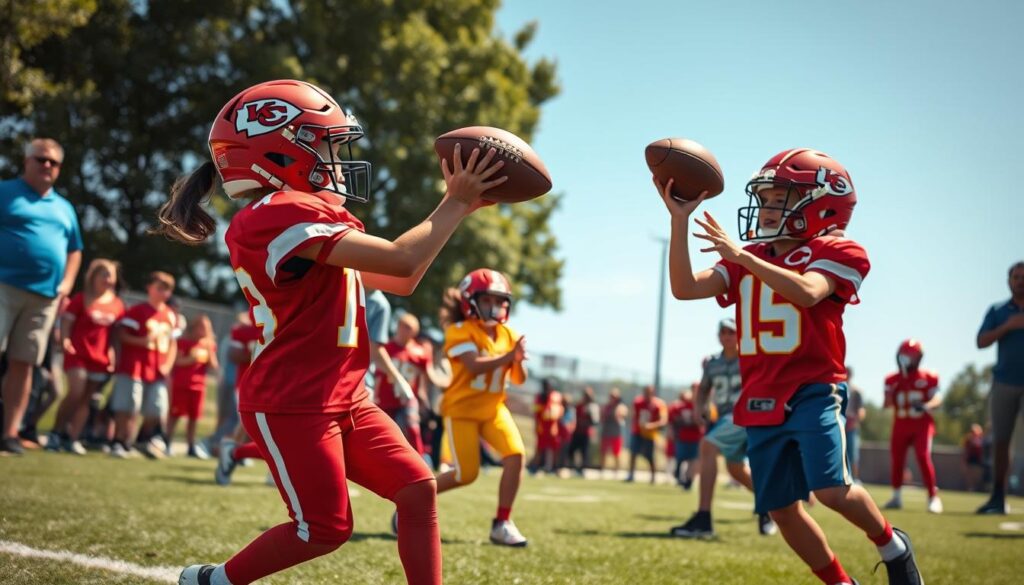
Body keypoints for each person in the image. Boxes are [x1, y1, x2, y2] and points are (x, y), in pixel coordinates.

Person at [158, 79, 506, 585]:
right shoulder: (273, 215)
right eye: (323, 144)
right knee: (323, 529)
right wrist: (453, 202)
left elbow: (401, 279)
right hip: (293, 401)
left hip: (345, 394)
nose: (335, 160)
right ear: (276, 153)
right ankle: (214, 581)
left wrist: (459, 208)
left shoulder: (305, 213)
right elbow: (403, 258)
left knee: (417, 488)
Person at [657, 148, 922, 584]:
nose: (765, 208)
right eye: (765, 198)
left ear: (820, 205)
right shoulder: (750, 255)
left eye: (779, 198)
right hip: (760, 394)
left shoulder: (837, 249)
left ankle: (892, 544)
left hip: (813, 389)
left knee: (831, 490)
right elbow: (684, 288)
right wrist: (680, 220)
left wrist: (743, 259)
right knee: (779, 507)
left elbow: (807, 292)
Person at [431, 270, 530, 547]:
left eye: (499, 301)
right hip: (462, 409)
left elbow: (519, 378)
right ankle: (413, 498)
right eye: (487, 300)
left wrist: (518, 360)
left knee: (516, 455)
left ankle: (502, 522)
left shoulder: (508, 334)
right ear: (469, 302)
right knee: (466, 474)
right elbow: (473, 365)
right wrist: (510, 356)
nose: (495, 307)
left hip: (493, 408)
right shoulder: (459, 330)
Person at [0, 138, 82, 454]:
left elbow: (75, 249)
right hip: (4, 287)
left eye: (53, 162)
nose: (47, 165)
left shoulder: (64, 208)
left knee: (24, 364)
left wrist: (67, 284)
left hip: (44, 298)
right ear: (26, 162)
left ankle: (9, 433)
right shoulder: (5, 192)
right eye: (40, 159)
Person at [670, 319, 773, 538]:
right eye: (723, 332)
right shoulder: (712, 363)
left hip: (748, 415)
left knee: (707, 446)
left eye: (732, 332)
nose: (727, 336)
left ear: (740, 335)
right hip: (728, 418)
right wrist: (699, 408)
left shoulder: (751, 357)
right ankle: (770, 506)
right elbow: (703, 389)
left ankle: (703, 518)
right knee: (735, 468)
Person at [45, 259, 124, 454]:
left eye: (110, 275)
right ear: (93, 276)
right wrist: (65, 340)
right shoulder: (81, 298)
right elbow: (66, 323)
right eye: (103, 274)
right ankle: (56, 432)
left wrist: (114, 354)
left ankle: (71, 438)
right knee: (75, 391)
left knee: (87, 399)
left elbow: (115, 335)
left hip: (100, 358)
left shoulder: (117, 304)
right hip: (78, 353)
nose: (107, 279)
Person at [110, 271, 178, 459]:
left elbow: (173, 343)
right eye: (160, 288)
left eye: (167, 290)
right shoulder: (137, 311)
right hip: (135, 366)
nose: (163, 293)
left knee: (157, 408)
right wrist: (142, 341)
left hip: (158, 369)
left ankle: (142, 439)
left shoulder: (170, 315)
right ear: (149, 288)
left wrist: (168, 364)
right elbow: (121, 335)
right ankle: (119, 441)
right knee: (128, 406)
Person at [975, 260, 1024, 515]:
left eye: (1023, 277)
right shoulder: (998, 310)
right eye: (1016, 277)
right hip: (1004, 382)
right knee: (1001, 443)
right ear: (1009, 281)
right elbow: (981, 341)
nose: (1020, 281)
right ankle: (997, 497)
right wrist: (1008, 326)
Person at [883, 339, 943, 514]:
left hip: (921, 425)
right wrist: (891, 391)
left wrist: (927, 406)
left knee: (923, 456)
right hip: (901, 423)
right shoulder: (892, 379)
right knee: (897, 460)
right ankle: (896, 496)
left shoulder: (928, 377)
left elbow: (938, 398)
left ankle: (933, 497)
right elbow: (886, 404)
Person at [375, 312, 430, 454]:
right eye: (405, 326)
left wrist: (422, 396)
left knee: (412, 427)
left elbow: (422, 376)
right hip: (386, 397)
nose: (407, 331)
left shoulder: (420, 351)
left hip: (407, 398)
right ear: (398, 326)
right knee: (385, 433)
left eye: (411, 328)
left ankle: (420, 460)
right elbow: (378, 375)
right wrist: (374, 395)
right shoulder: (385, 348)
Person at [168, 314, 219, 458]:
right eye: (200, 327)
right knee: (175, 415)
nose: (203, 331)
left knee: (194, 417)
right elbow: (177, 362)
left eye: (206, 328)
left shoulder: (208, 345)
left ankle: (190, 446)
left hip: (199, 385)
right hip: (182, 383)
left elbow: (213, 365)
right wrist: (191, 359)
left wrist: (209, 352)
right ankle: (167, 441)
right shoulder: (183, 342)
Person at [626, 385, 667, 484]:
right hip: (637, 431)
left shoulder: (659, 404)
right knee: (633, 452)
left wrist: (651, 426)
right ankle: (631, 475)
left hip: (650, 434)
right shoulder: (638, 402)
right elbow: (633, 415)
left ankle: (653, 476)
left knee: (649, 456)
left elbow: (663, 421)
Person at [667, 384, 703, 489]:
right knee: (680, 458)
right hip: (682, 436)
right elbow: (672, 420)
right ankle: (679, 474)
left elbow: (705, 421)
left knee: (693, 460)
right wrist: (672, 430)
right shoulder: (679, 406)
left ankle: (689, 481)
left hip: (696, 437)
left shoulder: (702, 405)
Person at [531, 378, 564, 474]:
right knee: (540, 447)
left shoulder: (556, 396)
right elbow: (536, 411)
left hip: (553, 426)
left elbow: (560, 410)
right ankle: (535, 467)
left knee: (553, 448)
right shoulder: (540, 397)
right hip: (542, 425)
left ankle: (552, 467)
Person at [567, 386, 600, 474]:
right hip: (577, 431)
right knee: (571, 450)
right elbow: (573, 416)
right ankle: (573, 466)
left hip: (585, 433)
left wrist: (587, 420)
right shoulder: (579, 405)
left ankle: (581, 470)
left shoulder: (592, 407)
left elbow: (595, 421)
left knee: (584, 452)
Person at [598, 387, 628, 475]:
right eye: (611, 396)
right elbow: (602, 418)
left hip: (616, 433)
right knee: (603, 452)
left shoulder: (621, 407)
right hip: (606, 431)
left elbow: (622, 416)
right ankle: (602, 470)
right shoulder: (606, 407)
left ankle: (616, 471)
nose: (612, 398)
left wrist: (618, 413)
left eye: (614, 396)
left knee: (616, 453)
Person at [845, 366, 867, 482]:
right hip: (839, 424)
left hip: (851, 426)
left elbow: (861, 410)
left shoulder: (855, 391)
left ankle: (855, 479)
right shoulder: (837, 388)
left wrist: (855, 421)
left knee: (853, 454)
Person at [962, 424, 986, 493]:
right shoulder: (968, 439)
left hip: (978, 460)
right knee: (969, 474)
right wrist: (964, 461)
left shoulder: (981, 439)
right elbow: (965, 450)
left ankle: (976, 487)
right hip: (970, 459)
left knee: (977, 474)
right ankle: (970, 488)